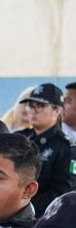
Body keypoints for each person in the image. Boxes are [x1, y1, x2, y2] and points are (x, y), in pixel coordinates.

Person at [17, 83, 76, 215]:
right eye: (30, 106)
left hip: (44, 217)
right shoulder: (20, 138)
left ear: (57, 110)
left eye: (40, 106)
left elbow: (62, 193)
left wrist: (23, 203)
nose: (33, 110)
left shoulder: (67, 148)